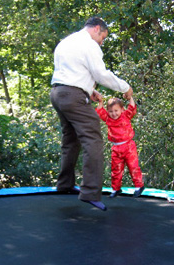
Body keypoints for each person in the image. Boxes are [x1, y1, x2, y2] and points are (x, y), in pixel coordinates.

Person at [50, 17, 133, 211]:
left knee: (70, 140)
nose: (101, 42)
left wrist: (88, 90)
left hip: (57, 93)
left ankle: (65, 185)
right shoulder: (89, 44)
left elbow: (71, 73)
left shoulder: (67, 42)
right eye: (102, 37)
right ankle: (89, 192)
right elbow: (101, 74)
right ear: (96, 29)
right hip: (72, 96)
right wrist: (125, 87)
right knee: (93, 139)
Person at [95, 96, 144, 198]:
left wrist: (130, 97)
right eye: (111, 111)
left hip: (128, 146)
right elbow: (100, 111)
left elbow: (132, 107)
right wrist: (101, 102)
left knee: (133, 166)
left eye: (116, 110)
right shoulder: (108, 118)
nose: (114, 113)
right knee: (116, 169)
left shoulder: (125, 115)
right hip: (116, 148)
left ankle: (139, 186)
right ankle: (116, 188)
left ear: (122, 109)